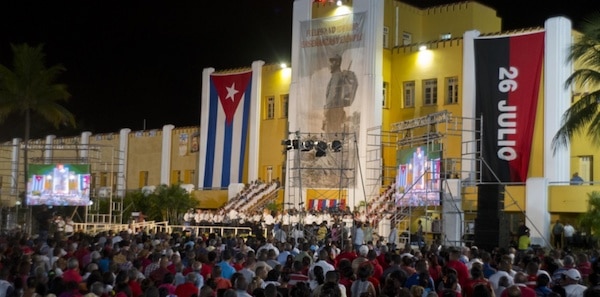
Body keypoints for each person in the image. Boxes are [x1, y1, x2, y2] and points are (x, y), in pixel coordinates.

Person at [322, 53, 358, 134]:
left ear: (337, 63)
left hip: (333, 109)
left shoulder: (336, 76)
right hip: (336, 109)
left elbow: (332, 93)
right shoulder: (339, 75)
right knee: (335, 132)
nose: (330, 65)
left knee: (332, 132)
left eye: (332, 62)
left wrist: (327, 109)